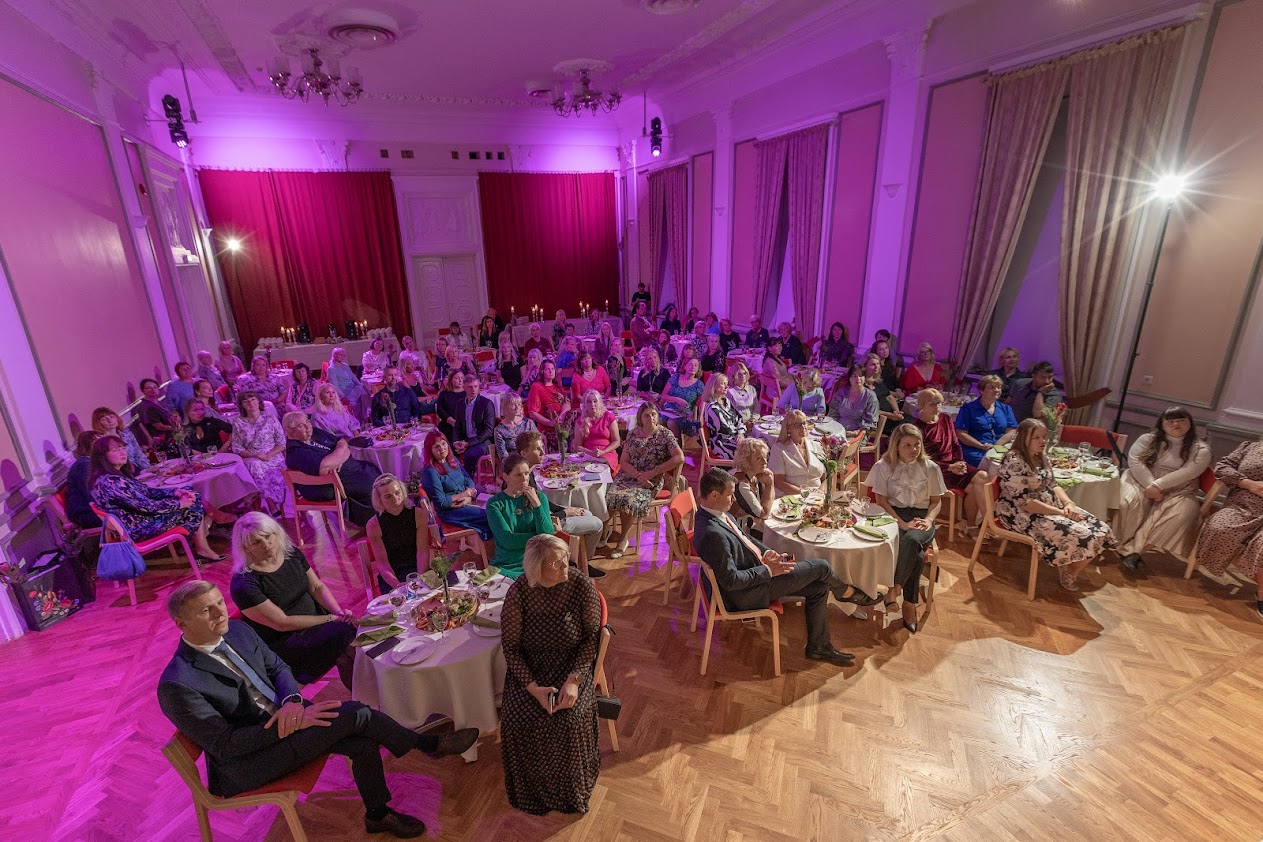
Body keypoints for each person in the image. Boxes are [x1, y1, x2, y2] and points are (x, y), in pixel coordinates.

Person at [157, 580, 476, 839]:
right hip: (250, 761)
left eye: (218, 603)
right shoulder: (178, 684)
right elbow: (227, 745)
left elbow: (278, 667)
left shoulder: (237, 630)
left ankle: (378, 814)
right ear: (181, 623)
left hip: (289, 718)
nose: (219, 613)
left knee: (362, 739)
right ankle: (428, 745)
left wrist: (293, 702)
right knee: (357, 715)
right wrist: (292, 723)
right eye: (206, 610)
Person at [695, 468, 877, 666]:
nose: (734, 499)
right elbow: (732, 581)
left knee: (820, 587)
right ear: (714, 495)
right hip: (747, 594)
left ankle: (818, 647)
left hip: (757, 573)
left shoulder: (716, 514)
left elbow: (745, 539)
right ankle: (847, 593)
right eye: (730, 495)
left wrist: (766, 553)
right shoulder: (713, 534)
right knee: (822, 567)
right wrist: (768, 570)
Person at [500, 534, 602, 815]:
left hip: (572, 664)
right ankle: (532, 787)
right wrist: (533, 687)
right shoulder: (519, 593)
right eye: (556, 563)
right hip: (531, 668)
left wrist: (574, 680)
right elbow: (511, 649)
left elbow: (591, 639)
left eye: (565, 559)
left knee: (568, 720)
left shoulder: (580, 585)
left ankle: (570, 790)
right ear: (537, 568)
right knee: (517, 718)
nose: (565, 566)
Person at [227, 512, 357, 687]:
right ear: (245, 548)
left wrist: (338, 613)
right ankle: (372, 693)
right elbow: (282, 623)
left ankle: (368, 693)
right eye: (256, 542)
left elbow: (316, 587)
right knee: (345, 634)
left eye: (268, 536)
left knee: (346, 637)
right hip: (288, 642)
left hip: (319, 624)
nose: (266, 544)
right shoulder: (244, 583)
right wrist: (330, 619)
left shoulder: (291, 553)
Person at [995, 419, 1113, 591]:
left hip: (1049, 505)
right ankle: (1067, 568)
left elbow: (1053, 485)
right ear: (1023, 437)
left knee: (1101, 529)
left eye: (1044, 437)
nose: (1043, 441)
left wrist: (1069, 504)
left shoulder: (1040, 456)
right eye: (1036, 437)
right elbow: (1025, 503)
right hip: (1020, 513)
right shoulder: (1015, 461)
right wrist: (1060, 512)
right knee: (1085, 535)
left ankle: (1070, 568)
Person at [865, 424, 946, 633]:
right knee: (916, 555)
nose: (913, 449)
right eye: (907, 445)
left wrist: (929, 520)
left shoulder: (930, 468)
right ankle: (909, 604)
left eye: (917, 444)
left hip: (921, 516)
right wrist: (901, 523)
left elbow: (936, 501)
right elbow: (881, 501)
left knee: (911, 540)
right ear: (896, 446)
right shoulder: (883, 466)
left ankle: (894, 590)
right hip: (892, 515)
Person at [88, 435, 222, 561]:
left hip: (137, 521)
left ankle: (198, 539)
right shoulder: (111, 482)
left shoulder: (112, 476)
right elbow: (148, 507)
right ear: (102, 456)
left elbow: (147, 491)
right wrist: (180, 504)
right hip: (138, 528)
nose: (123, 452)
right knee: (192, 502)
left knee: (188, 492)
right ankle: (202, 545)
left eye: (123, 448)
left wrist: (175, 492)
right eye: (116, 450)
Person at [1114, 407, 1212, 571]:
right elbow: (1135, 461)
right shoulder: (1147, 439)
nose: (1176, 424)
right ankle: (1120, 542)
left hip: (1180, 488)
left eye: (1181, 420)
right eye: (1170, 421)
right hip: (1140, 479)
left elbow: (1189, 472)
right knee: (1127, 501)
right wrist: (1151, 485)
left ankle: (1134, 551)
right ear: (1162, 423)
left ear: (1190, 423)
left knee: (1183, 514)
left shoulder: (1201, 449)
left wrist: (1158, 486)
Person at [604, 403, 684, 558]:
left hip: (652, 479)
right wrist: (638, 475)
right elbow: (624, 461)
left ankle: (623, 539)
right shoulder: (633, 434)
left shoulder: (665, 435)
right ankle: (603, 533)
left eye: (653, 414)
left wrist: (653, 472)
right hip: (629, 475)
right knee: (609, 496)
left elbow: (679, 457)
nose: (651, 418)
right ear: (640, 418)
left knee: (628, 499)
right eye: (647, 415)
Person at [1194, 437, 1263, 617]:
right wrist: (1248, 484)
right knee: (1219, 529)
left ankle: (1262, 594)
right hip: (1242, 506)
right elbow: (1222, 467)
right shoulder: (1250, 447)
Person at [516, 431, 605, 566]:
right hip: (548, 525)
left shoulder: (529, 472)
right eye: (537, 449)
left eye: (542, 447)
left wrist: (565, 509)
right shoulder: (523, 480)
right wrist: (564, 513)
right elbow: (535, 520)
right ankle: (583, 563)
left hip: (549, 515)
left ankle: (579, 559)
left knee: (586, 513)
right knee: (597, 524)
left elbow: (543, 502)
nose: (543, 452)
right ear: (524, 453)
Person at [282, 412, 381, 528]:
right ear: (290, 431)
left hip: (341, 474)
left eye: (307, 421)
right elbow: (324, 468)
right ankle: (371, 523)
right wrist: (341, 453)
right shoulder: (296, 452)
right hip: (324, 487)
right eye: (301, 426)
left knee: (372, 469)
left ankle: (371, 517)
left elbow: (342, 442)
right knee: (370, 482)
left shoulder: (314, 432)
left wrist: (337, 458)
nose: (308, 427)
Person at [913, 389, 988, 528]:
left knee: (983, 477)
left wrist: (960, 462)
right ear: (922, 405)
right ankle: (978, 525)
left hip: (953, 464)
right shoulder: (917, 427)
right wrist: (949, 467)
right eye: (932, 404)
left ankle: (984, 522)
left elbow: (955, 444)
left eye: (939, 403)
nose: (937, 407)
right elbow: (920, 460)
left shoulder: (946, 419)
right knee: (972, 488)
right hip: (934, 471)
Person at [486, 454, 556, 579]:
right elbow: (507, 541)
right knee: (481, 585)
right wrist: (539, 537)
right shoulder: (494, 504)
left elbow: (547, 533)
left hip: (538, 559)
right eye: (518, 475)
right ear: (506, 477)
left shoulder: (539, 497)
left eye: (526, 473)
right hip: (506, 564)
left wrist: (537, 505)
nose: (524, 479)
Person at [366, 474, 437, 589]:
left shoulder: (419, 515)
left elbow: (422, 552)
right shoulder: (373, 525)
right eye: (388, 496)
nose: (395, 499)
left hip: (420, 569)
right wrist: (397, 585)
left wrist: (419, 579)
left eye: (397, 493)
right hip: (392, 576)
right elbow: (383, 564)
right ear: (379, 500)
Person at [419, 431, 490, 539]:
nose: (442, 448)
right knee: (491, 514)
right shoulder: (430, 472)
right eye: (436, 446)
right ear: (430, 450)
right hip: (451, 511)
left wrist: (468, 497)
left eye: (443, 443)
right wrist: (465, 494)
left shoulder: (453, 460)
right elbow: (442, 502)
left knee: (496, 505)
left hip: (466, 501)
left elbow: (468, 480)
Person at [231, 392, 288, 514]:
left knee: (256, 467)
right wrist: (254, 455)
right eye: (246, 401)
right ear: (242, 405)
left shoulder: (270, 418)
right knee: (254, 464)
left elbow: (282, 443)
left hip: (273, 455)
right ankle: (271, 504)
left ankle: (252, 495)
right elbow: (237, 447)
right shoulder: (238, 422)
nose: (250, 403)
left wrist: (268, 455)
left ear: (258, 401)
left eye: (253, 399)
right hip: (250, 456)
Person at [955, 374, 1017, 467]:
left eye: (999, 387)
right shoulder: (968, 409)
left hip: (1000, 448)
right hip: (975, 449)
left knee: (1013, 462)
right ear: (981, 390)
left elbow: (1011, 430)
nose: (997, 390)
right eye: (992, 387)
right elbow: (961, 433)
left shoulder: (1006, 408)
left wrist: (997, 445)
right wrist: (981, 446)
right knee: (989, 462)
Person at [769, 410, 826, 495]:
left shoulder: (816, 445)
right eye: (797, 425)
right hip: (791, 496)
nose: (803, 427)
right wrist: (804, 493)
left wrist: (821, 491)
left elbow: (826, 477)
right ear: (788, 429)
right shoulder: (779, 449)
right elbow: (778, 481)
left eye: (804, 423)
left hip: (817, 495)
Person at [450, 372, 496, 474]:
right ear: (464, 388)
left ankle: (468, 480)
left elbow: (488, 431)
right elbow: (457, 427)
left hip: (482, 440)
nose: (473, 390)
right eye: (470, 387)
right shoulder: (460, 404)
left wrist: (469, 443)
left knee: (469, 455)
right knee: (446, 452)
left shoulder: (486, 404)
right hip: (465, 439)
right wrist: (456, 442)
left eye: (476, 386)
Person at [730, 438, 775, 538]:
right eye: (758, 458)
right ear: (746, 461)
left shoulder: (755, 476)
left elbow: (767, 503)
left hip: (749, 527)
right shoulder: (741, 484)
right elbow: (764, 514)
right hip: (737, 534)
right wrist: (769, 485)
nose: (764, 462)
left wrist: (769, 483)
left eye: (765, 457)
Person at [526, 360, 571, 452]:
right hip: (547, 427)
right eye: (547, 369)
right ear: (542, 371)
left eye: (552, 369)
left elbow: (567, 403)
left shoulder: (557, 385)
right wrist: (550, 423)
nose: (551, 371)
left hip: (562, 423)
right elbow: (532, 413)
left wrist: (562, 415)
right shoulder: (536, 387)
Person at [571, 390, 621, 471]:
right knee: (587, 467)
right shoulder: (580, 421)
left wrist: (603, 451)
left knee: (600, 465)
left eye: (595, 401)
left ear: (600, 402)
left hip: (607, 452)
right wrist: (590, 453)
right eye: (589, 402)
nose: (592, 404)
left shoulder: (608, 417)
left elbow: (617, 441)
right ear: (584, 404)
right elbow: (578, 446)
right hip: (588, 454)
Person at [91, 406, 151, 471]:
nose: (110, 421)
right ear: (98, 423)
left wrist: (148, 469)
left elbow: (138, 454)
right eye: (104, 419)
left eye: (111, 417)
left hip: (137, 470)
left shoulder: (127, 434)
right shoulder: (101, 442)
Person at [659, 357, 705, 438]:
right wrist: (676, 399)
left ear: (698, 369)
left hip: (684, 414)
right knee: (657, 421)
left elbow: (702, 403)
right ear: (685, 366)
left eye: (696, 365)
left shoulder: (699, 384)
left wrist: (699, 418)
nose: (693, 367)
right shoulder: (675, 377)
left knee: (671, 423)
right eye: (690, 364)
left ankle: (677, 445)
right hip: (668, 410)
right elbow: (663, 395)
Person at [65, 431, 103, 529]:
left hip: (96, 509)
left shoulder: (94, 462)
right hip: (86, 512)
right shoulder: (84, 465)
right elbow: (91, 493)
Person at [702, 373, 743, 461]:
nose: (726, 386)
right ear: (714, 386)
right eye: (723, 383)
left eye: (726, 383)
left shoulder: (726, 401)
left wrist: (741, 433)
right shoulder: (712, 408)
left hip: (734, 438)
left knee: (760, 446)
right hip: (721, 443)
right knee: (752, 452)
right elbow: (726, 430)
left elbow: (739, 419)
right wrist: (739, 435)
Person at [828, 364, 879, 431]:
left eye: (861, 376)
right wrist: (833, 429)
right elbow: (832, 413)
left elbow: (870, 422)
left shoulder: (870, 396)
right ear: (850, 378)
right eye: (854, 376)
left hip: (859, 433)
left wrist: (856, 432)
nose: (858, 378)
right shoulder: (841, 393)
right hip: (837, 429)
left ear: (864, 378)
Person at [327, 347, 371, 421]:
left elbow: (353, 377)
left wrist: (359, 385)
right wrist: (343, 397)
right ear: (335, 355)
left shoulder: (345, 365)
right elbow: (334, 386)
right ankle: (362, 418)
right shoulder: (331, 369)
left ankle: (367, 415)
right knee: (356, 403)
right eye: (340, 355)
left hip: (353, 388)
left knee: (363, 390)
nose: (343, 357)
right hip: (344, 392)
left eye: (344, 355)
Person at [494, 393, 538, 460]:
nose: (517, 407)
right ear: (505, 407)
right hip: (514, 463)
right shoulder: (499, 430)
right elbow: (503, 456)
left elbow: (538, 443)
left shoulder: (528, 423)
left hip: (532, 459)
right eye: (513, 404)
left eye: (519, 404)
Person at [137, 378, 176, 445]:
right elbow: (158, 426)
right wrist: (174, 428)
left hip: (172, 433)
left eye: (155, 387)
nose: (152, 390)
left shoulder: (158, 402)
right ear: (142, 390)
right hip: (163, 439)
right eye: (148, 388)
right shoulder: (145, 407)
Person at [863, 353, 902, 418]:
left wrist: (897, 412)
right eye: (873, 364)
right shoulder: (861, 384)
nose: (876, 367)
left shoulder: (878, 381)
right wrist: (891, 415)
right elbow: (869, 409)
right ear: (865, 367)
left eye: (878, 364)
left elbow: (890, 397)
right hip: (877, 417)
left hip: (891, 414)